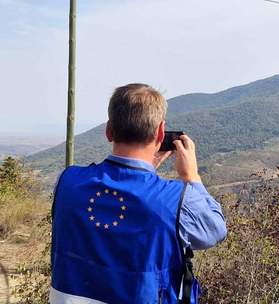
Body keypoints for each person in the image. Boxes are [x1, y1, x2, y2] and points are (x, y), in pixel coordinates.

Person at [49, 83, 227, 304]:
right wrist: (192, 177)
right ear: (160, 132)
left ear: (109, 130)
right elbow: (215, 230)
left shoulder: (66, 182)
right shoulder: (177, 200)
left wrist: (145, 173)